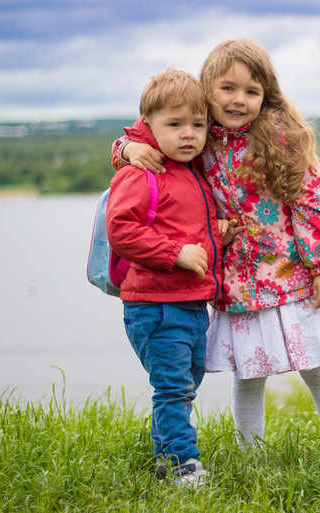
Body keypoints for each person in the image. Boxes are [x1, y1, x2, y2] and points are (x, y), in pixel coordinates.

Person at [113, 39, 320, 466]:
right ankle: (252, 461)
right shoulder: (199, 135)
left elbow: (314, 201)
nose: (239, 100)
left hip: (292, 274)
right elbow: (149, 131)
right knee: (248, 374)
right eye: (227, 89)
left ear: (266, 94)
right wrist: (125, 149)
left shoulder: (279, 137)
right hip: (237, 283)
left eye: (251, 91)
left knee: (319, 369)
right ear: (207, 91)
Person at [107, 67, 237, 487]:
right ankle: (184, 464)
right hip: (155, 305)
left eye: (198, 125)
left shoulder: (189, 169)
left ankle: (165, 457)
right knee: (174, 388)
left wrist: (217, 233)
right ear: (149, 124)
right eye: (175, 124)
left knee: (185, 382)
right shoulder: (142, 172)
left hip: (190, 303)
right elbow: (122, 229)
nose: (188, 134)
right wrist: (175, 253)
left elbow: (181, 222)